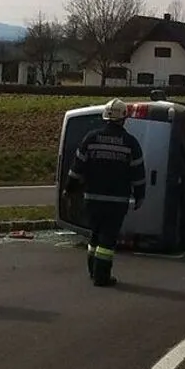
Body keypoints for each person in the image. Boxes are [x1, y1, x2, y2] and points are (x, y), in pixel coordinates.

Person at [63, 98, 146, 287]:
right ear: (124, 119)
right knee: (108, 240)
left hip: (92, 198)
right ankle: (102, 277)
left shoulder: (90, 139)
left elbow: (77, 168)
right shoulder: (130, 143)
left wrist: (69, 189)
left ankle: (93, 271)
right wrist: (140, 195)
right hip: (117, 201)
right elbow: (138, 173)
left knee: (95, 234)